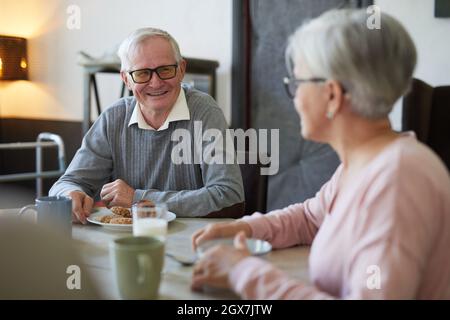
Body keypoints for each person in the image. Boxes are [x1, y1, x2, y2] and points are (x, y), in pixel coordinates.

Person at [190, 9, 450, 299]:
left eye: (298, 83)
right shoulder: (363, 163)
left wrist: (244, 272)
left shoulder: (399, 179)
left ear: (332, 94)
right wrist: (244, 228)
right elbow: (310, 219)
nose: (296, 97)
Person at [50, 28, 244, 223]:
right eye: (142, 73)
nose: (156, 82)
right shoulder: (113, 118)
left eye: (165, 70)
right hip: (126, 241)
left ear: (181, 70)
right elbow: (68, 182)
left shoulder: (205, 112)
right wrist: (70, 194)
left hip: (193, 240)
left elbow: (230, 198)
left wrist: (140, 199)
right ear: (126, 79)